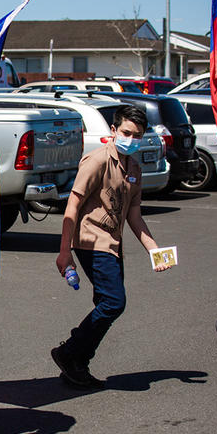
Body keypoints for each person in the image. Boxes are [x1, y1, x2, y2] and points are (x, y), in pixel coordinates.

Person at [52, 104, 172, 389]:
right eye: (127, 132)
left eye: (137, 135)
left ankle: (77, 360)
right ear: (114, 130)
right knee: (114, 302)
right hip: (91, 241)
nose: (131, 139)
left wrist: (154, 249)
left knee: (106, 303)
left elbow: (134, 216)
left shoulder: (134, 168)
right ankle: (70, 352)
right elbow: (73, 204)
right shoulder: (97, 161)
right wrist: (64, 251)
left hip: (113, 244)